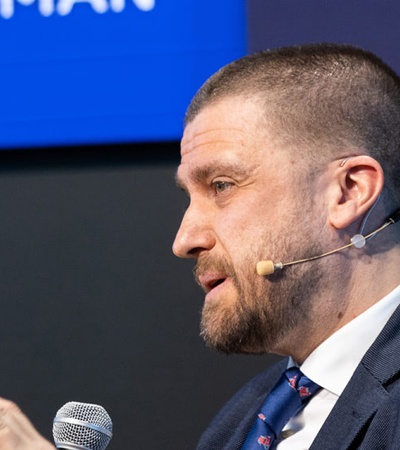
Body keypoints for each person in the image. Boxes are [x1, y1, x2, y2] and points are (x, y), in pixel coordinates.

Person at [0, 42, 400, 449]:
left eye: (221, 186)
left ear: (349, 191)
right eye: (188, 195)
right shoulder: (246, 417)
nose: (185, 240)